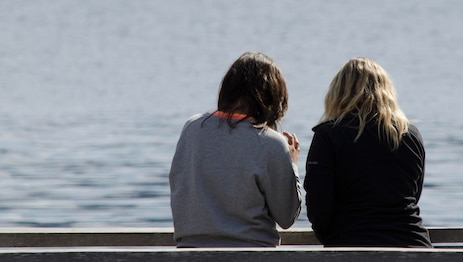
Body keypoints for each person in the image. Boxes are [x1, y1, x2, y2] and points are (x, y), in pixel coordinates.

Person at [169, 52, 301, 247]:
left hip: (190, 251)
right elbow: (286, 216)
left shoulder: (192, 128)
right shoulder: (270, 143)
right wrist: (292, 165)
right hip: (251, 252)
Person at [304, 57, 431, 247]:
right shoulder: (410, 135)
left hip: (351, 244)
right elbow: (413, 194)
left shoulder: (328, 135)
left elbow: (318, 205)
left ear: (337, 93)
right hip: (412, 243)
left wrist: (332, 238)